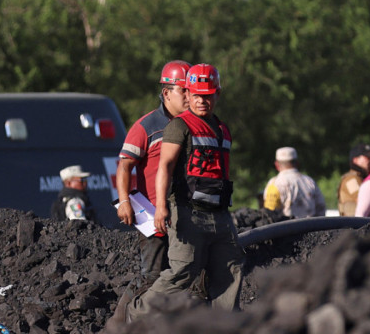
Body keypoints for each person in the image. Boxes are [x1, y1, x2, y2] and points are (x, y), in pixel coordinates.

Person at [126, 63, 245, 322]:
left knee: (231, 268)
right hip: (188, 212)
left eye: (209, 95)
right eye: (197, 95)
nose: (203, 100)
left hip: (220, 214)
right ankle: (138, 315)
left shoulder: (222, 129)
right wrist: (161, 208)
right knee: (183, 271)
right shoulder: (179, 126)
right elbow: (164, 167)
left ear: (218, 94)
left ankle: (225, 326)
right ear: (188, 95)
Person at [116, 60, 191, 284]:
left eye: (191, 90)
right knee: (152, 278)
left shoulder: (193, 125)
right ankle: (128, 319)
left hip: (185, 216)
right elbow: (124, 166)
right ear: (166, 93)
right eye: (183, 90)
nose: (189, 96)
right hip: (153, 217)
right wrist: (123, 201)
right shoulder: (146, 127)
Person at [263, 147, 326, 218]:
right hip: (312, 227)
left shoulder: (274, 184)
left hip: (287, 228)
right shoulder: (310, 182)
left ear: (277, 165)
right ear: (297, 163)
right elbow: (321, 208)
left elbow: (270, 213)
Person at [337, 143, 370, 216]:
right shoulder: (351, 180)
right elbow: (362, 200)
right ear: (355, 160)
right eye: (367, 157)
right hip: (353, 225)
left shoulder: (362, 177)